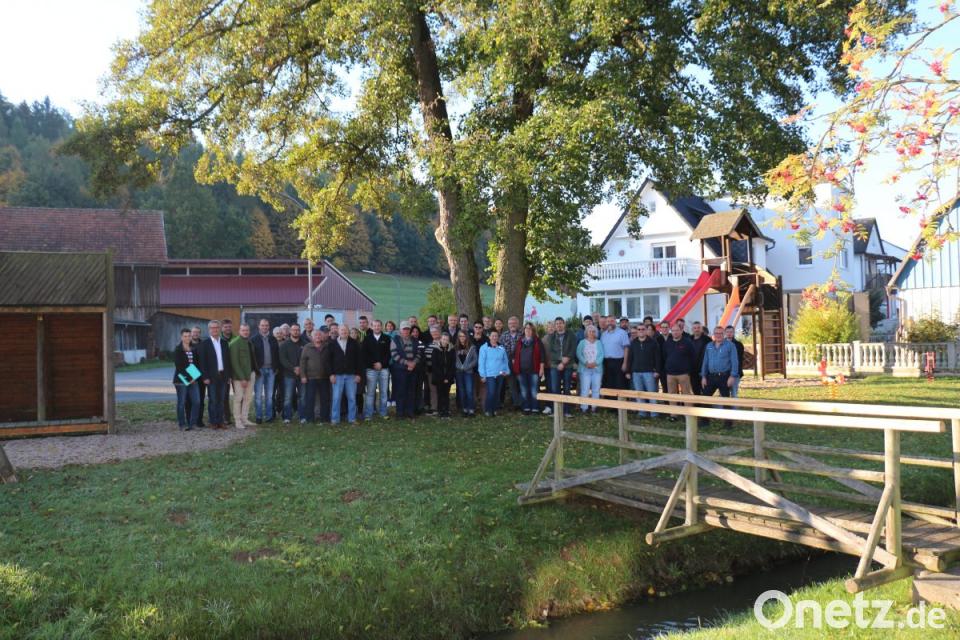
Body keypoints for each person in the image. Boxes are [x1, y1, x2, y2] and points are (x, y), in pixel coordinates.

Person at [701, 326, 739, 429]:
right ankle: (705, 421)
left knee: (726, 400)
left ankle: (728, 423)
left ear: (724, 334)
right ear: (713, 335)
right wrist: (703, 376)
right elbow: (705, 361)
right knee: (705, 398)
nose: (718, 335)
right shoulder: (709, 346)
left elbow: (734, 361)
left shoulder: (730, 345)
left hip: (724, 377)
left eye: (720, 333)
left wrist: (732, 376)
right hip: (711, 377)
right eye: (716, 333)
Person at [197, 320, 231, 429]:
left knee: (221, 400)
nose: (215, 329)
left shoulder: (224, 343)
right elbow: (202, 362)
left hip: (223, 375)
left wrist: (228, 376)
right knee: (213, 400)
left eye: (216, 327)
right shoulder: (204, 344)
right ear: (209, 330)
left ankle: (220, 421)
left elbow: (228, 361)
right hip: (211, 377)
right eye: (212, 328)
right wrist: (205, 377)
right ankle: (213, 422)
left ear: (219, 329)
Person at [327, 324, 362, 424]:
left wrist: (358, 374)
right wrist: (331, 374)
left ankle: (352, 418)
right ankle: (335, 419)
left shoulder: (354, 343)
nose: (344, 332)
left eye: (345, 330)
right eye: (342, 330)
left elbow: (359, 360)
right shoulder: (332, 344)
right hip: (337, 375)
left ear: (348, 331)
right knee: (336, 398)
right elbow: (328, 361)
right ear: (338, 331)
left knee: (352, 398)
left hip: (351, 375)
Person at [543, 317, 577, 418]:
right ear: (555, 325)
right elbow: (551, 352)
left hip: (568, 364)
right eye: (557, 323)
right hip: (555, 365)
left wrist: (566, 360)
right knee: (555, 388)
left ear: (564, 324)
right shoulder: (551, 337)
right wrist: (560, 361)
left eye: (560, 323)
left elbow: (573, 348)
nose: (559, 325)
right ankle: (555, 411)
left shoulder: (571, 334)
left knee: (567, 388)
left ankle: (567, 411)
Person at [626, 324, 661, 418]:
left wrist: (657, 370)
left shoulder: (653, 342)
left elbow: (657, 358)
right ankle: (642, 412)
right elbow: (630, 358)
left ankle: (654, 413)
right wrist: (628, 371)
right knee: (639, 393)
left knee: (651, 393)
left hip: (649, 372)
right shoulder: (633, 343)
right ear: (637, 331)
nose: (641, 330)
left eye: (643, 329)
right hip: (636, 372)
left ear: (646, 330)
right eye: (639, 329)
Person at [662, 323, 695, 420]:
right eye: (673, 330)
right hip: (670, 374)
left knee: (686, 395)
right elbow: (665, 356)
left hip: (683, 374)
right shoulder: (667, 343)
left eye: (677, 330)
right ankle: (674, 415)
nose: (675, 332)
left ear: (681, 331)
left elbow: (693, 356)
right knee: (672, 395)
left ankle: (688, 415)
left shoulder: (687, 342)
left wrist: (688, 369)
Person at [299, 326, 332, 423]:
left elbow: (331, 361)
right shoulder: (307, 347)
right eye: (316, 335)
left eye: (319, 335)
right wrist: (303, 376)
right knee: (310, 398)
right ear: (312, 337)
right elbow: (302, 362)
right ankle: (310, 418)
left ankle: (324, 418)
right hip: (310, 378)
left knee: (325, 399)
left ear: (322, 337)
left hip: (324, 377)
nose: (317, 336)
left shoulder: (327, 347)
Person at [228, 322, 256, 430]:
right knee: (238, 398)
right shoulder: (234, 343)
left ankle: (245, 418)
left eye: (247, 330)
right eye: (243, 330)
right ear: (239, 331)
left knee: (248, 398)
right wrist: (242, 378)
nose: (245, 332)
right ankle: (238, 421)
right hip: (239, 377)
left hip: (250, 374)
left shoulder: (249, 342)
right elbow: (234, 362)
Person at [251, 318, 279, 424]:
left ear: (269, 326)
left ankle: (269, 416)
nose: (264, 327)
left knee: (269, 396)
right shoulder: (254, 339)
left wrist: (276, 368)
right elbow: (252, 356)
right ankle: (258, 416)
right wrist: (255, 370)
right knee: (258, 395)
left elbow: (277, 354)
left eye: (266, 325)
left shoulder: (273, 339)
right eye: (262, 325)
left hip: (271, 370)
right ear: (259, 326)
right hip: (259, 370)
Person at [513, 323, 545, 416]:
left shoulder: (537, 341)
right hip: (521, 371)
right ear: (524, 330)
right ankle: (526, 408)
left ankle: (535, 408)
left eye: (530, 329)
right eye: (526, 328)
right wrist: (514, 363)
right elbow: (514, 354)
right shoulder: (520, 341)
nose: (528, 330)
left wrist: (541, 368)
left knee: (534, 390)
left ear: (533, 331)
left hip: (534, 370)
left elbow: (542, 356)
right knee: (524, 390)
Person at [173, 328, 201, 430]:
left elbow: (196, 363)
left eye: (189, 336)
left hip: (193, 378)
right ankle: (182, 424)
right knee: (182, 402)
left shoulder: (193, 348)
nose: (187, 338)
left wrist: (194, 377)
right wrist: (189, 379)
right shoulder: (178, 349)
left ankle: (192, 424)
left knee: (197, 401)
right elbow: (180, 366)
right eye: (185, 336)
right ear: (181, 337)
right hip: (181, 379)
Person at [390, 321, 420, 419]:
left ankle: (410, 412)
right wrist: (407, 363)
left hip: (413, 369)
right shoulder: (395, 340)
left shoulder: (415, 340)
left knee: (411, 391)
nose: (406, 331)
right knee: (400, 391)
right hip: (400, 370)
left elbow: (419, 353)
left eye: (408, 329)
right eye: (404, 329)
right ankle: (400, 412)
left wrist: (414, 363)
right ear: (400, 330)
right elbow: (394, 355)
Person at [363, 319, 392, 420]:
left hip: (384, 369)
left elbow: (389, 353)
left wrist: (381, 364)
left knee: (384, 392)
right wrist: (373, 364)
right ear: (372, 327)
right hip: (371, 370)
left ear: (381, 326)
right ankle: (368, 414)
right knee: (370, 393)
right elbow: (364, 354)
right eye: (375, 326)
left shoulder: (387, 338)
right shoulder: (367, 338)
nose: (377, 327)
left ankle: (383, 413)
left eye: (378, 325)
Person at [478, 331, 510, 417]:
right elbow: (481, 362)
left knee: (497, 392)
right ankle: (488, 410)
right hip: (489, 375)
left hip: (500, 374)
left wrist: (506, 371)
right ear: (489, 337)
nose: (494, 337)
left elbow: (505, 361)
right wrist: (482, 375)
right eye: (493, 336)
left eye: (496, 336)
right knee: (491, 392)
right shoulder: (484, 348)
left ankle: (495, 409)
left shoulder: (501, 348)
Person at [279, 323, 305, 424]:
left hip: (302, 375)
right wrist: (293, 368)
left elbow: (306, 358)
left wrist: (300, 368)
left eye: (297, 330)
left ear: (300, 331)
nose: (296, 332)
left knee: (303, 397)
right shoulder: (284, 344)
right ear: (290, 331)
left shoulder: (304, 343)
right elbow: (283, 359)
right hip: (289, 375)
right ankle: (287, 417)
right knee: (288, 397)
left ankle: (302, 417)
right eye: (294, 330)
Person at [576, 325, 604, 413]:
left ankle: (594, 407)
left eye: (593, 331)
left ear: (596, 333)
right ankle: (584, 408)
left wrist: (595, 363)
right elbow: (578, 353)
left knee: (596, 388)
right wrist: (586, 363)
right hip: (585, 369)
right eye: (590, 331)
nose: (591, 333)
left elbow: (602, 355)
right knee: (585, 388)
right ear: (586, 333)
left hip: (597, 369)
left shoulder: (599, 342)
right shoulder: (582, 342)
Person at [600, 315, 630, 390]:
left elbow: (626, 349)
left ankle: (620, 398)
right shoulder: (603, 335)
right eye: (608, 321)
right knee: (608, 384)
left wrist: (625, 363)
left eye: (612, 321)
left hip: (619, 362)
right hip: (606, 362)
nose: (610, 323)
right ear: (606, 323)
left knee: (619, 384)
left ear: (615, 322)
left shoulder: (622, 333)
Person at [454, 331, 478, 417]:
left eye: (463, 336)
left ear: (467, 337)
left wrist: (467, 367)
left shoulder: (472, 347)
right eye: (460, 336)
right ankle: (464, 409)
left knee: (469, 391)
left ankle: (471, 409)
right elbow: (453, 360)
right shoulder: (455, 347)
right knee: (462, 391)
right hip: (459, 372)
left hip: (468, 372)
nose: (462, 338)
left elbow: (475, 360)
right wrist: (459, 367)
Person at [432, 333, 456, 418]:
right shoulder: (436, 350)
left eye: (447, 339)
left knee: (446, 394)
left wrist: (447, 377)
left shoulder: (451, 350)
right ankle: (440, 411)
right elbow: (434, 365)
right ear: (440, 339)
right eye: (443, 339)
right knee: (440, 394)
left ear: (449, 341)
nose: (445, 341)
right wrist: (442, 377)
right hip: (439, 377)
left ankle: (446, 410)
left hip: (448, 377)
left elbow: (452, 365)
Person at [501, 316, 522, 409]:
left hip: (520, 362)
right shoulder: (504, 335)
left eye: (514, 323)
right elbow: (500, 350)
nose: (512, 325)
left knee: (521, 383)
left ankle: (522, 403)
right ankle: (516, 404)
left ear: (518, 324)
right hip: (507, 362)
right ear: (508, 325)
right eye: (510, 323)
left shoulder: (522, 335)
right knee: (512, 384)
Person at [423, 325, 442, 415]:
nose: (434, 333)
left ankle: (442, 407)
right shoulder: (429, 344)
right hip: (430, 371)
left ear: (440, 332)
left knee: (441, 389)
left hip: (441, 371)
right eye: (432, 332)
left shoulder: (444, 343)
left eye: (436, 331)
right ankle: (434, 408)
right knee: (433, 390)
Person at [689, 321, 711, 396]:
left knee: (706, 392)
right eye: (695, 328)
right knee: (695, 391)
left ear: (701, 329)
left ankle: (705, 404)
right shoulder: (689, 339)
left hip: (704, 370)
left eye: (698, 328)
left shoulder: (707, 340)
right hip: (692, 371)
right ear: (692, 329)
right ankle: (697, 403)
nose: (697, 329)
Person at [725, 325, 745, 397]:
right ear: (725, 333)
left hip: (735, 373)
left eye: (731, 332)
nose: (729, 334)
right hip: (724, 373)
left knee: (734, 393)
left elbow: (739, 360)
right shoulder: (721, 344)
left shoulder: (738, 345)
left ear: (733, 333)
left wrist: (737, 372)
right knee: (723, 393)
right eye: (727, 332)